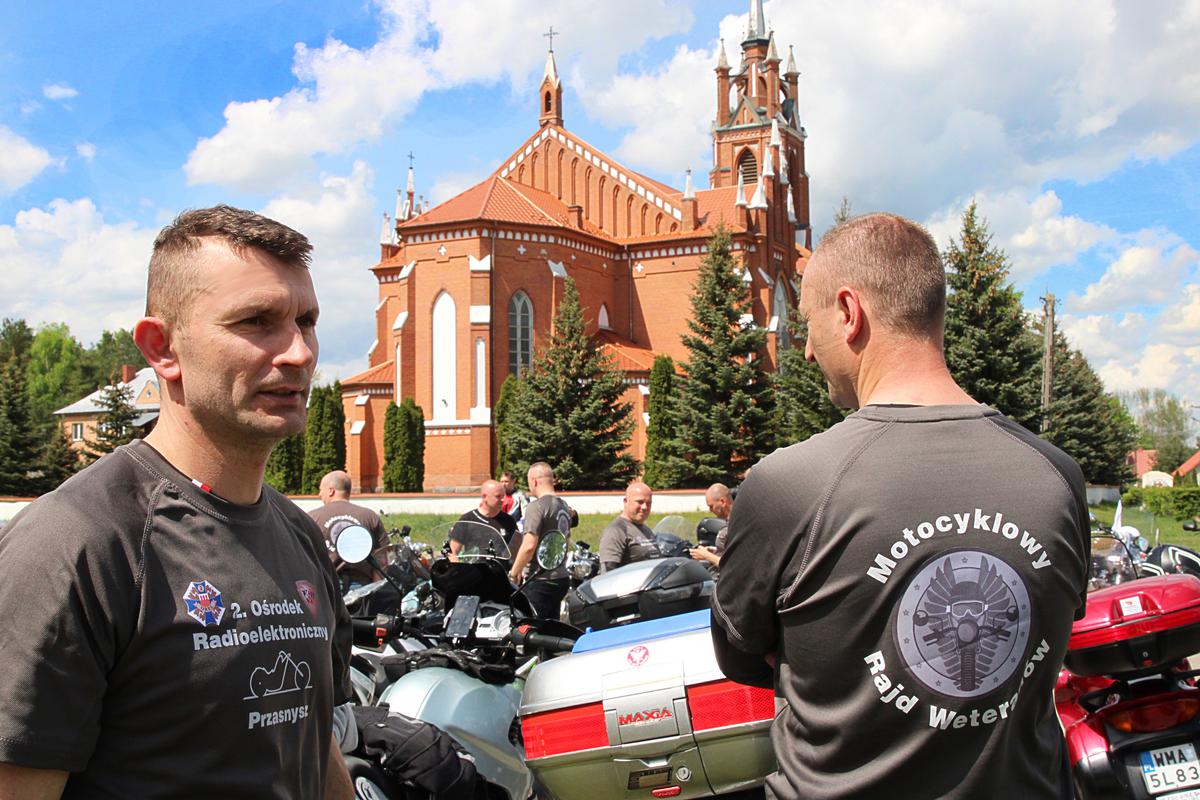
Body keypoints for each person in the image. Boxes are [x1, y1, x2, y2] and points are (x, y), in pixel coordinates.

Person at [711, 213, 1089, 799]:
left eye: (808, 324)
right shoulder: (1056, 476)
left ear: (848, 312)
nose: (806, 351)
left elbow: (740, 657)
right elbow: (1045, 634)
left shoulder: (789, 485)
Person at [0, 206, 354, 798]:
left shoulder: (300, 535)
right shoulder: (79, 542)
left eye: (307, 321)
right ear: (162, 348)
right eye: (257, 321)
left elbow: (312, 748)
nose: (299, 353)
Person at [509, 462, 572, 618]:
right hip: (561, 577)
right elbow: (565, 541)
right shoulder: (564, 506)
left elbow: (529, 545)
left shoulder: (536, 507)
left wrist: (514, 573)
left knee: (532, 626)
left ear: (534, 481)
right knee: (552, 626)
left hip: (539, 579)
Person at [310, 469, 388, 588]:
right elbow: (383, 555)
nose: (319, 494)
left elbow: (303, 556)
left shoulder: (312, 517)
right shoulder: (369, 516)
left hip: (327, 585)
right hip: (362, 586)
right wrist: (376, 588)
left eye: (321, 490)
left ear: (331, 491)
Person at [449, 479, 518, 563]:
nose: (502, 500)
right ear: (484, 496)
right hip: (474, 569)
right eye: (498, 496)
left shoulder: (508, 521)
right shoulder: (468, 519)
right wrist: (458, 568)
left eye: (503, 496)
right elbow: (452, 552)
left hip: (500, 570)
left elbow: (517, 551)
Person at [598, 481, 660, 572]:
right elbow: (608, 571)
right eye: (640, 502)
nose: (644, 507)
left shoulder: (646, 529)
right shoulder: (616, 530)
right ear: (626, 501)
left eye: (648, 503)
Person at [690, 482, 733, 567]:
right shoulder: (731, 521)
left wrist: (706, 555)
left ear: (722, 502)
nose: (710, 510)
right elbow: (730, 553)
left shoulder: (737, 524)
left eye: (711, 506)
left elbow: (733, 564)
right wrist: (714, 551)